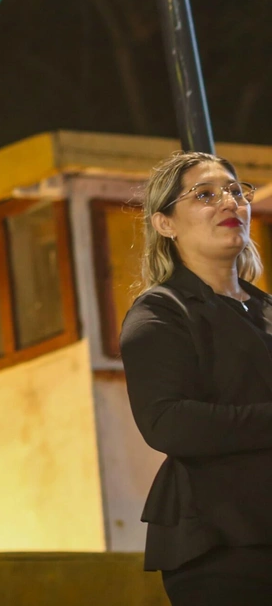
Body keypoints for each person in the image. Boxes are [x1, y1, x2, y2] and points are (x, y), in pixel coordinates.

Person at [121, 151, 272, 605]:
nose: (229, 202)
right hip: (222, 546)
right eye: (205, 195)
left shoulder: (265, 309)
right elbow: (167, 422)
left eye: (234, 191)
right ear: (165, 223)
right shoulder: (160, 312)